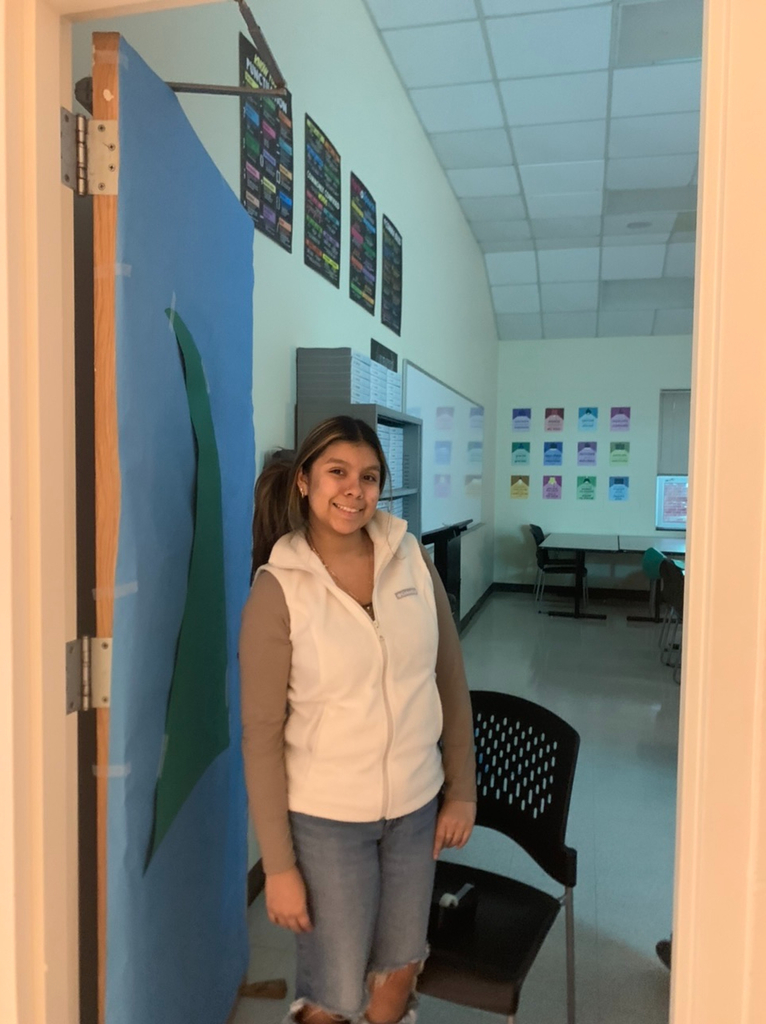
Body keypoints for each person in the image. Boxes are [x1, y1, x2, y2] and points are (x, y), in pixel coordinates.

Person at [239, 415, 477, 1024]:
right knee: (334, 996)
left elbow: (449, 680)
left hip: (415, 809)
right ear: (304, 482)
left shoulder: (411, 560)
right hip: (327, 823)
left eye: (369, 477)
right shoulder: (279, 588)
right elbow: (261, 739)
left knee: (399, 972)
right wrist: (279, 867)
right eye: (337, 472)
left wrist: (461, 791)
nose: (354, 489)